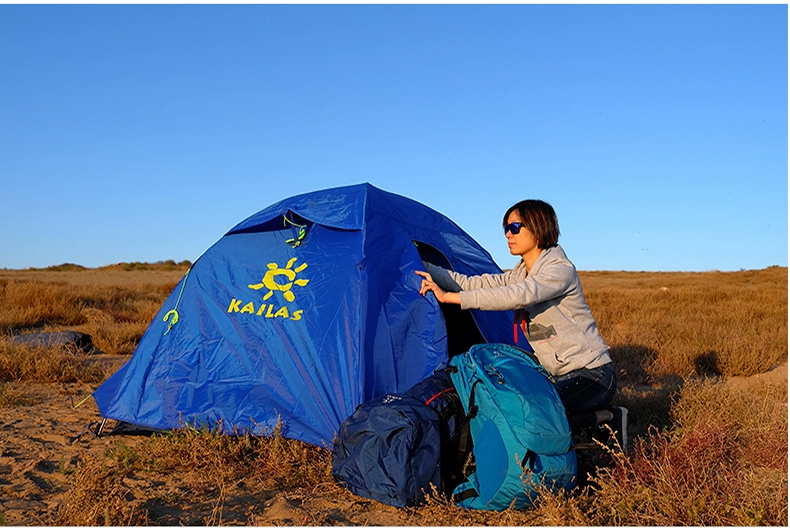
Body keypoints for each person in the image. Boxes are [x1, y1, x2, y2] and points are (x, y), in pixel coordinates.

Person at [415, 199, 627, 447]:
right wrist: (423, 265)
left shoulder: (559, 270)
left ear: (538, 227)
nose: (508, 234)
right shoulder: (520, 273)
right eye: (506, 227)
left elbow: (519, 295)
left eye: (515, 227)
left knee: (537, 413)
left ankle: (609, 418)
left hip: (594, 376)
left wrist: (449, 298)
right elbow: (477, 283)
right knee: (518, 410)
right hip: (556, 377)